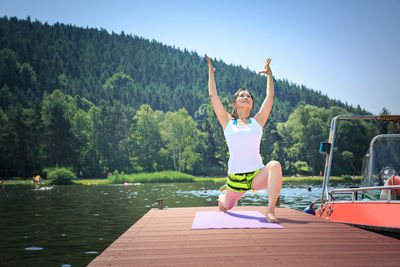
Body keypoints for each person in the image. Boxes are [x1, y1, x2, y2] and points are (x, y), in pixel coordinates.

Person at [206, 55, 283, 223]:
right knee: (225, 205)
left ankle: (270, 212)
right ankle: (223, 197)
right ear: (234, 104)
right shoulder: (227, 122)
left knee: (275, 165)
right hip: (235, 179)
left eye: (249, 96)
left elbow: (269, 97)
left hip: (256, 175)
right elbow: (213, 96)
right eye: (242, 95)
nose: (246, 97)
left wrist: (269, 75)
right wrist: (211, 73)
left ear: (252, 103)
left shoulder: (258, 121)